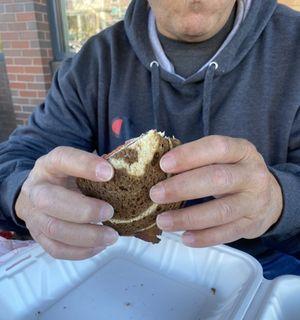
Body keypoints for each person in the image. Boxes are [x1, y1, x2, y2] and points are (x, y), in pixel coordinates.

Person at [0, 0, 299, 278]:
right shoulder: (96, 62)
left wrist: (279, 200)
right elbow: (15, 159)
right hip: (126, 265)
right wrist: (25, 197)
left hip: (268, 268)